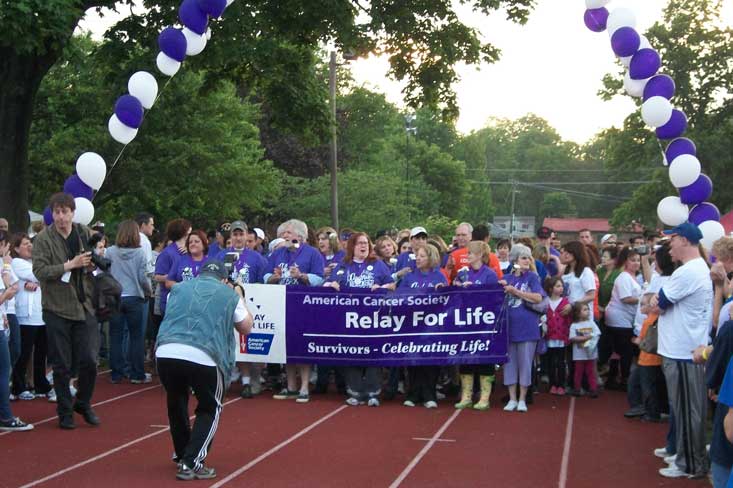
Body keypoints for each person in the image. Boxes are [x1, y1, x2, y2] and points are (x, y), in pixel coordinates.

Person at [155, 260, 253, 480]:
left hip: (166, 350)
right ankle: (192, 462)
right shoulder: (230, 295)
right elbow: (246, 327)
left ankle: (183, 454)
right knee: (210, 407)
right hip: (205, 354)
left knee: (176, 402)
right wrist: (239, 296)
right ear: (225, 280)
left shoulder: (178, 289)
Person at [32, 193, 100, 430]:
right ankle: (64, 411)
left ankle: (83, 402)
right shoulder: (43, 239)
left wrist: (92, 263)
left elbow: (96, 259)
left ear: (73, 212)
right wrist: (69, 265)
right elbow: (40, 271)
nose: (61, 217)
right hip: (57, 307)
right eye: (57, 212)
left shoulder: (83, 232)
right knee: (61, 364)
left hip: (84, 304)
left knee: (90, 360)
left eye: (65, 212)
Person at [650, 222, 712, 479]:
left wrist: (656, 301)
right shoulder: (693, 269)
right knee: (684, 408)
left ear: (685, 240)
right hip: (682, 348)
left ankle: (691, 464)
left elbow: (658, 304)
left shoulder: (688, 272)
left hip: (684, 350)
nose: (669, 246)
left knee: (688, 410)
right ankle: (685, 455)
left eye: (672, 240)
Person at [324, 232, 395, 406]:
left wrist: (381, 287)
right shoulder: (344, 265)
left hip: (373, 319)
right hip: (350, 318)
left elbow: (392, 285)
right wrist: (331, 285)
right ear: (352, 247)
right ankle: (354, 391)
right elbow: (327, 284)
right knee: (352, 352)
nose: (363, 246)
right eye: (359, 243)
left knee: (372, 353)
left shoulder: (377, 264)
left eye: (366, 243)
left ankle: (372, 392)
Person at [266, 219, 324, 403]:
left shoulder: (312, 253)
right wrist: (273, 277)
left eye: (288, 233)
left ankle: (305, 386)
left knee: (302, 344)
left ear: (300, 236)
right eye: (283, 233)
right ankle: (291, 386)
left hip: (303, 304)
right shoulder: (278, 253)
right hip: (280, 303)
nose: (284, 236)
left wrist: (302, 276)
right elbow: (266, 275)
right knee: (286, 345)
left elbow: (320, 278)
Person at [215, 220, 267, 399]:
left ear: (247, 236)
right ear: (231, 237)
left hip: (248, 304)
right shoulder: (221, 256)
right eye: (235, 235)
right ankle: (233, 379)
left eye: (241, 234)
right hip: (225, 304)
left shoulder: (256, 258)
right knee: (228, 342)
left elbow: (263, 282)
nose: (238, 238)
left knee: (247, 341)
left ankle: (251, 379)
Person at [399, 244, 447, 408]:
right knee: (413, 360)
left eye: (422, 256)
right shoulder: (409, 277)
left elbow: (446, 300)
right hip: (412, 325)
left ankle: (429, 395)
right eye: (417, 256)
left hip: (432, 326)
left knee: (430, 361)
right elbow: (400, 297)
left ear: (431, 258)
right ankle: (413, 394)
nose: (418, 258)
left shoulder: (439, 277)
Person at [105, 220, 153, 385]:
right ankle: (136, 373)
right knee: (136, 337)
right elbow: (142, 277)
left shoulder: (110, 252)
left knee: (115, 336)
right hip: (134, 297)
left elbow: (105, 273)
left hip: (115, 296)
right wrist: (148, 291)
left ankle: (116, 373)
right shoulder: (139, 253)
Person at [453, 241, 499, 410]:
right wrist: (457, 286)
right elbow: (454, 293)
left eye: (470, 253)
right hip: (466, 321)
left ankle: (484, 397)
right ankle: (466, 396)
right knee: (466, 358)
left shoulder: (490, 274)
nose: (467, 256)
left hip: (483, 322)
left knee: (484, 358)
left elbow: (494, 298)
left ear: (480, 255)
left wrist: (475, 291)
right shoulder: (464, 273)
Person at [501, 244, 544, 413]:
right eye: (524, 257)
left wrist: (516, 292)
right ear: (515, 260)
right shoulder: (507, 278)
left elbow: (538, 297)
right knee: (510, 364)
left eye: (529, 257)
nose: (528, 260)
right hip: (509, 328)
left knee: (525, 364)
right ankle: (512, 398)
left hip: (527, 327)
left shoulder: (532, 277)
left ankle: (522, 398)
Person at [10, 233, 52, 401]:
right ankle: (18, 387)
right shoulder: (17, 263)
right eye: (25, 244)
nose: (29, 246)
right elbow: (38, 275)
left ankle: (40, 384)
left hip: (41, 314)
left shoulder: (35, 263)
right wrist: (42, 279)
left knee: (41, 353)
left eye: (30, 243)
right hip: (26, 316)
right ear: (16, 248)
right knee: (24, 353)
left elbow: (44, 278)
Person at [604, 247, 642, 389]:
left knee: (619, 350)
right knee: (624, 350)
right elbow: (626, 298)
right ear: (625, 262)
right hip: (619, 319)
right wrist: (643, 298)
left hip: (625, 318)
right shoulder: (624, 277)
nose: (636, 263)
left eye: (638, 260)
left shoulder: (634, 277)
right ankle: (623, 378)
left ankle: (615, 377)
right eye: (633, 260)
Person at [154, 218, 192, 319]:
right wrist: (172, 278)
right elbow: (157, 276)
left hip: (188, 303)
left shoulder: (190, 252)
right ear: (182, 233)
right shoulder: (167, 253)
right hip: (171, 303)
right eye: (189, 234)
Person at [544, 276, 571, 395]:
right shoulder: (546, 302)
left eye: (561, 286)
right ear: (550, 288)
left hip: (561, 336)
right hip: (549, 336)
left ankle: (561, 384)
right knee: (550, 361)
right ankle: (552, 384)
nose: (561, 288)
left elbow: (569, 319)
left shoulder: (565, 302)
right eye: (558, 286)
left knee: (560, 361)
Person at [568, 302, 601, 398]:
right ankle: (577, 388)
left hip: (591, 353)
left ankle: (593, 389)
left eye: (588, 309)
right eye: (585, 309)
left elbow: (597, 333)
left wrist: (590, 338)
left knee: (591, 371)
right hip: (579, 354)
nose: (588, 311)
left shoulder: (591, 323)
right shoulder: (574, 325)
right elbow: (572, 338)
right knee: (578, 371)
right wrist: (584, 338)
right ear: (577, 313)